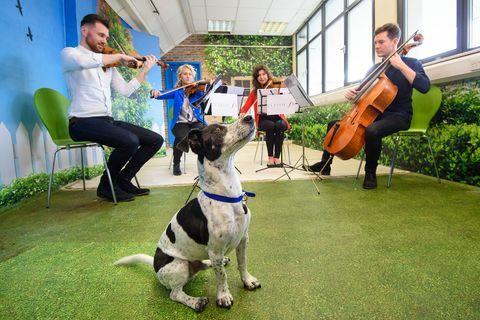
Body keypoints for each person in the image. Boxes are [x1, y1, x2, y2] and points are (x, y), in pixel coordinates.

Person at [306, 23, 430, 189]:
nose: (377, 46)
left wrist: (400, 64)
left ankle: (370, 172)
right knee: (334, 125)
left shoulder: (412, 63)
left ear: (395, 41)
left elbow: (424, 87)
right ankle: (324, 165)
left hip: (399, 115)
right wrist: (354, 95)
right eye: (375, 43)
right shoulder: (374, 68)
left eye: (381, 42)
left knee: (373, 131)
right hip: (375, 113)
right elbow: (364, 96)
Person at [61, 14, 164, 202]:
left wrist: (144, 71)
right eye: (101, 35)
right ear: (85, 31)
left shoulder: (108, 64)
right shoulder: (69, 54)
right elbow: (84, 62)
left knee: (155, 140)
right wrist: (118, 57)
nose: (104, 40)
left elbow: (126, 91)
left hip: (106, 120)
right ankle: (106, 186)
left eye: (106, 37)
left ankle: (124, 179)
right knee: (130, 141)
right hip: (81, 122)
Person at [150, 64, 207, 175]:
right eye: (185, 74)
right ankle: (176, 164)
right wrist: (155, 92)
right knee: (181, 137)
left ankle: (203, 163)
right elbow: (162, 93)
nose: (188, 76)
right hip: (180, 122)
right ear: (180, 76)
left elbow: (208, 91)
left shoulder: (198, 90)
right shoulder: (177, 92)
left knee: (203, 134)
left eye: (190, 74)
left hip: (196, 121)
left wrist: (211, 86)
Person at [239, 65, 290, 167]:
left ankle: (277, 157)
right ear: (256, 78)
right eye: (259, 75)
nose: (262, 77)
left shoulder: (276, 86)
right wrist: (242, 112)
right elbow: (247, 105)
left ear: (268, 75)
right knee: (270, 126)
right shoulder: (255, 92)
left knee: (280, 125)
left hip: (278, 117)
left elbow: (287, 92)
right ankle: (270, 158)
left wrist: (285, 84)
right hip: (263, 119)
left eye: (264, 74)